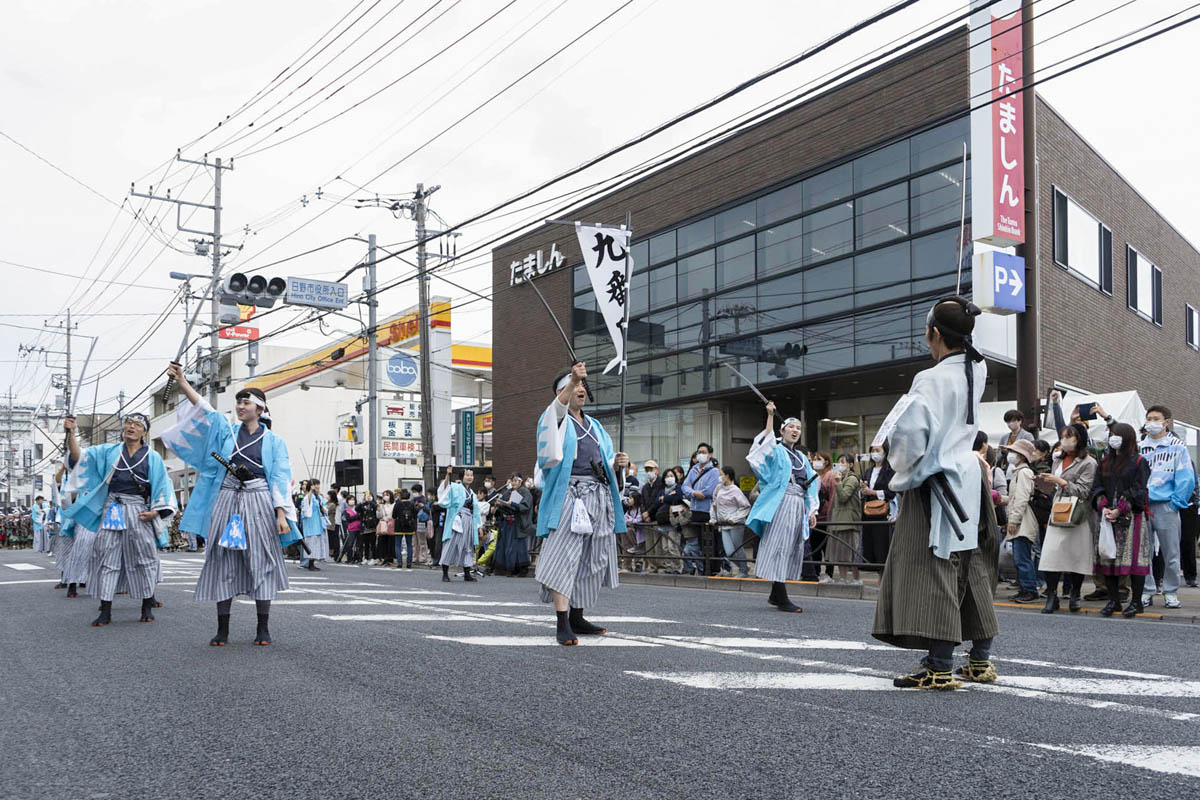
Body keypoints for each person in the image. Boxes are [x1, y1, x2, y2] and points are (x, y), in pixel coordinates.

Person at [872, 296, 998, 690]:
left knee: (933, 567)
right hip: (969, 475)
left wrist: (895, 459)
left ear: (934, 334)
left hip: (936, 480)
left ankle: (939, 665)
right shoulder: (977, 367)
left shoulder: (930, 378)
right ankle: (979, 659)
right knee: (971, 563)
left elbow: (910, 437)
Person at [162, 363, 301, 646]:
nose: (240, 406)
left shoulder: (274, 442)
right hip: (227, 497)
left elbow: (280, 477)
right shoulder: (227, 431)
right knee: (222, 559)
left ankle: (263, 628)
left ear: (260, 409)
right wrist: (182, 382)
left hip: (259, 498)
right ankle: (222, 629)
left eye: (245, 402)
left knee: (261, 560)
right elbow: (204, 409)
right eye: (238, 401)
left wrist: (281, 514)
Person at [534, 362, 628, 645]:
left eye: (584, 386)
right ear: (562, 392)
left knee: (591, 558)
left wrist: (618, 464)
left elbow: (607, 461)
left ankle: (577, 615)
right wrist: (574, 377)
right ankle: (562, 621)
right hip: (570, 496)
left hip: (598, 495)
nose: (581, 390)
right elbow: (554, 418)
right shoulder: (557, 418)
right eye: (575, 386)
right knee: (564, 554)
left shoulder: (596, 426)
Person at [62, 412, 175, 626]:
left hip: (139, 510)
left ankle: (146, 605)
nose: (131, 427)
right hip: (112, 508)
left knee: (145, 558)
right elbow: (79, 458)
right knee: (107, 556)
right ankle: (106, 609)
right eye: (128, 423)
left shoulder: (153, 457)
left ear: (144, 431)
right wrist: (71, 434)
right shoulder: (107, 451)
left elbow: (162, 487)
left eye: (137, 424)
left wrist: (155, 512)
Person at [745, 402, 820, 614]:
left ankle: (775, 594)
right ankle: (782, 596)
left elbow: (811, 484)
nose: (795, 431)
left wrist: (811, 510)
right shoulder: (776, 450)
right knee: (779, 545)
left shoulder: (802, 457)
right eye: (791, 427)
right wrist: (770, 416)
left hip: (798, 503)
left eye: (798, 428)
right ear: (782, 430)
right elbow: (761, 448)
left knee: (790, 546)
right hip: (782, 501)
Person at [1090, 422, 1151, 617]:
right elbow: (1096, 487)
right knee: (1108, 558)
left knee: (1134, 560)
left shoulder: (1140, 461)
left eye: (1117, 434)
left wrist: (1120, 508)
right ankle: (1114, 601)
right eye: (1111, 434)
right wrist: (1104, 506)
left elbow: (1139, 489)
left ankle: (1136, 602)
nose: (1112, 437)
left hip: (1132, 517)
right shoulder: (1105, 462)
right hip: (1107, 517)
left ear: (1127, 438)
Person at [1036, 423, 1098, 614]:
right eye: (1063, 436)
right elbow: (1055, 489)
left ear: (1079, 439)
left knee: (1077, 556)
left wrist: (1060, 481)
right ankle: (1052, 595)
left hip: (1079, 514)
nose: (1065, 440)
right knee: (1050, 555)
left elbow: (1084, 491)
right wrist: (1043, 483)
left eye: (1069, 436)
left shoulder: (1089, 462)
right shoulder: (1056, 461)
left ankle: (1075, 594)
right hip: (1058, 512)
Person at [1138, 405, 1195, 609]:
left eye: (1156, 419)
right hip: (1142, 507)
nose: (1151, 423)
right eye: (1149, 418)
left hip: (1165, 506)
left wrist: (1175, 503)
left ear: (1167, 422)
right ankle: (1147, 590)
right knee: (1143, 552)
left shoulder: (1177, 446)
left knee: (1171, 554)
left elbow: (1186, 477)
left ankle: (1170, 592)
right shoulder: (1139, 447)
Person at [1001, 439, 1041, 603]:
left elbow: (1022, 499)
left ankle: (1030, 590)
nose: (1010, 455)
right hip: (1021, 520)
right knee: (1020, 558)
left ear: (1021, 455)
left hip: (1023, 521)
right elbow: (1015, 498)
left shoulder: (1023, 473)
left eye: (1014, 452)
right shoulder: (1020, 472)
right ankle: (1025, 588)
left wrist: (1014, 520)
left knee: (1022, 558)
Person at [682, 443, 721, 575]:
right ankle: (703, 568)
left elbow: (710, 490)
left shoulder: (714, 471)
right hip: (695, 510)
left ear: (710, 455)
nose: (700, 454)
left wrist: (695, 491)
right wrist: (693, 493)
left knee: (710, 541)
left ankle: (713, 569)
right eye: (699, 452)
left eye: (703, 452)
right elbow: (685, 486)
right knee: (699, 541)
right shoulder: (693, 470)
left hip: (707, 511)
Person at [438, 466, 481, 582]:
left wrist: (478, 526)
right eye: (467, 475)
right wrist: (448, 475)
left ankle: (467, 573)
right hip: (457, 520)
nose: (469, 477)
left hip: (469, 520)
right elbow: (445, 489)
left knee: (468, 546)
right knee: (451, 544)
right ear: (462, 477)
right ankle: (445, 573)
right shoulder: (455, 487)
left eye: (471, 475)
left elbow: (476, 512)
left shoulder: (473, 494)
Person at [825, 454, 863, 585]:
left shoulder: (852, 479)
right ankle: (842, 578)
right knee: (841, 552)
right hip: (839, 519)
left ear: (851, 465)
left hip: (849, 520)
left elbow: (844, 497)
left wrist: (838, 483)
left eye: (843, 462)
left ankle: (856, 578)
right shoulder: (841, 478)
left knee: (851, 551)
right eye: (839, 462)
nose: (840, 464)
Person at [860, 442, 896, 571]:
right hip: (868, 512)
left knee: (882, 546)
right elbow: (864, 492)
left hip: (883, 512)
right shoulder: (869, 471)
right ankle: (875, 571)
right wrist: (864, 490)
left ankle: (883, 575)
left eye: (877, 450)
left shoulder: (890, 470)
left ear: (885, 452)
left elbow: (892, 492)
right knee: (870, 545)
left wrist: (873, 492)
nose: (875, 453)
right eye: (872, 450)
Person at [712, 465, 751, 577]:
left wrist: (734, 518)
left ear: (727, 476)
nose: (720, 477)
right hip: (723, 524)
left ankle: (743, 571)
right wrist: (714, 518)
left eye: (721, 474)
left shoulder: (736, 490)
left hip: (735, 524)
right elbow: (714, 503)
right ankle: (744, 567)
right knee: (729, 552)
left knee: (738, 548)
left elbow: (745, 506)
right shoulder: (719, 488)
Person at [492, 473, 533, 577]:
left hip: (517, 523)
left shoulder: (525, 492)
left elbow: (526, 506)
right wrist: (499, 504)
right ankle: (505, 568)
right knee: (504, 545)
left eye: (516, 480)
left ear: (520, 481)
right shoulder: (508, 492)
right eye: (512, 480)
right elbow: (504, 503)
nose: (513, 482)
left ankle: (519, 569)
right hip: (507, 522)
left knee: (517, 546)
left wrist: (513, 504)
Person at [298, 479, 328, 571]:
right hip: (311, 525)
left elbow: (325, 508)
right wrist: (311, 491)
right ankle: (309, 564)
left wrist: (324, 509)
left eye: (318, 484)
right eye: (315, 484)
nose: (317, 486)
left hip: (318, 524)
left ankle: (312, 563)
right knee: (311, 544)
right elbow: (307, 509)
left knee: (316, 545)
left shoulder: (318, 497)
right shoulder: (307, 497)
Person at [392, 489, 417, 569]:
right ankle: (409, 563)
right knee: (409, 545)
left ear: (400, 496)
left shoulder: (397, 504)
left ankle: (399, 562)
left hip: (399, 526)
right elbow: (415, 515)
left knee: (397, 545)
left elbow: (393, 516)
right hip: (409, 527)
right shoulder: (412, 504)